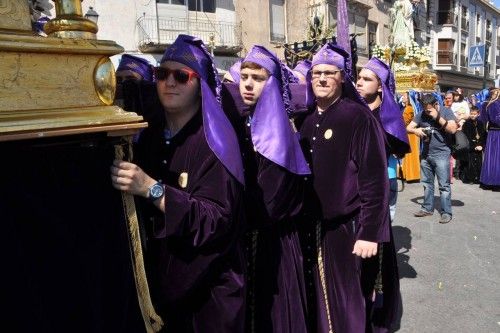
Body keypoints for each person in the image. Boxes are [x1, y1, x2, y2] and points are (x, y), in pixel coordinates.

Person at [110, 34, 246, 332]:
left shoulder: (215, 143)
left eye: (181, 76)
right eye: (161, 74)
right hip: (163, 289)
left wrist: (152, 189)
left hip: (209, 293)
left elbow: (216, 220)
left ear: (200, 86)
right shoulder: (149, 135)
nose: (169, 82)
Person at [297, 43, 390, 333]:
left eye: (329, 73)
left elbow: (374, 180)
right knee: (316, 304)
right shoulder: (306, 119)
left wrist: (370, 233)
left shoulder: (357, 117)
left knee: (346, 303)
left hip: (347, 229)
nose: (322, 79)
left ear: (342, 77)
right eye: (316, 73)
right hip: (309, 226)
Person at [234, 45, 310, 333]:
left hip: (272, 240)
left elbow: (271, 202)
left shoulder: (278, 134)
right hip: (249, 237)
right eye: (244, 76)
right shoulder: (244, 122)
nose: (249, 84)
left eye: (258, 77)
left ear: (273, 83)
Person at [356, 57, 409, 332]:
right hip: (355, 186)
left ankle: (377, 299)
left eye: (366, 78)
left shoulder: (386, 116)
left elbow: (399, 146)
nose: (359, 82)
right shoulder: (354, 110)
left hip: (383, 184)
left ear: (380, 87)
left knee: (378, 241)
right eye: (359, 77)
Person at [406, 94, 457, 224]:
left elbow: (452, 129)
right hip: (426, 154)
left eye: (429, 110)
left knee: (444, 186)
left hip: (442, 154)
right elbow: (408, 127)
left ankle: (446, 212)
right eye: (424, 109)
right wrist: (416, 131)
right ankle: (427, 208)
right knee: (427, 184)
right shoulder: (422, 114)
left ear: (435, 105)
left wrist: (437, 117)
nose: (426, 112)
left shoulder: (446, 111)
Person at [479, 88, 500, 191]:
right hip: (496, 133)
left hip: (493, 133)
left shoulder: (489, 104)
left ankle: (491, 180)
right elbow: (496, 119)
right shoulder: (494, 104)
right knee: (495, 158)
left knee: (493, 158)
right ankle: (494, 181)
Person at [461, 106, 486, 184]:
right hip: (471, 147)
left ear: (478, 114)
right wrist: (474, 146)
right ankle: (470, 178)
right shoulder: (466, 124)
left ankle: (478, 177)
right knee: (470, 163)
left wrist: (481, 145)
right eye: (471, 114)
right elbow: (466, 136)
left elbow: (483, 135)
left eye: (475, 114)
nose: (473, 115)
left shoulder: (481, 123)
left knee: (479, 162)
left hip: (479, 146)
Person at [401, 91, 421, 181]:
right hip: (410, 134)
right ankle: (409, 174)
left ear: (409, 98)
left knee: (410, 154)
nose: (403, 97)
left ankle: (411, 175)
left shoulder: (408, 109)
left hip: (410, 134)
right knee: (409, 154)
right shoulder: (408, 108)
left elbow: (404, 121)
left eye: (404, 96)